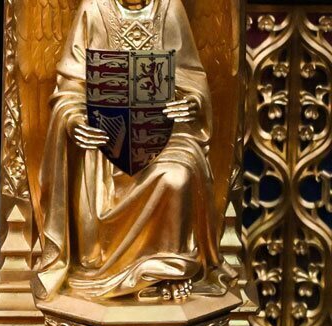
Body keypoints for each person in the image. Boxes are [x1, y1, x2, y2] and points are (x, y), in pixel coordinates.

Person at [34, 0, 223, 300]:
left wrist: (191, 104)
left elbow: (192, 80)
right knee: (94, 186)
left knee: (179, 175)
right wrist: (74, 121)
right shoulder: (93, 10)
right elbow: (69, 91)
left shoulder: (169, 9)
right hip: (103, 143)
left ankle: (167, 270)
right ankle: (101, 266)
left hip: (163, 137)